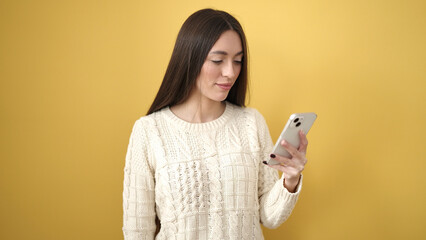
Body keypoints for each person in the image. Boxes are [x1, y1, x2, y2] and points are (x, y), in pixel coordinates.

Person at [122, 8, 309, 240]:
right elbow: (137, 231)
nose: (230, 72)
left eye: (238, 61)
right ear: (190, 58)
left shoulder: (251, 123)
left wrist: (290, 179)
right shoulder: (149, 131)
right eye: (218, 60)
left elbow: (269, 217)